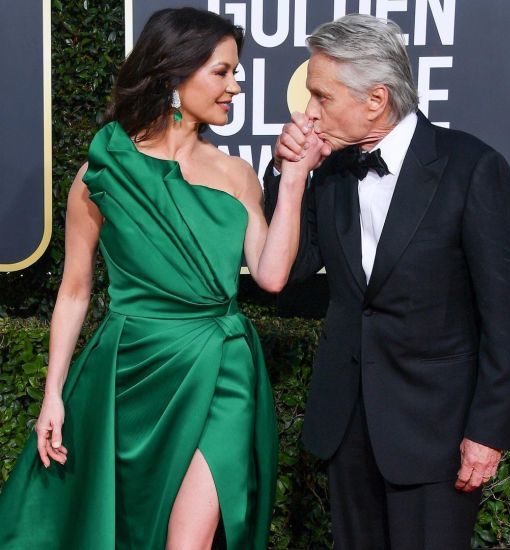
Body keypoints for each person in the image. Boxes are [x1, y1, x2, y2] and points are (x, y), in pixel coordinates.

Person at [0, 7, 323, 550]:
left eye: (236, 72)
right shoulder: (103, 172)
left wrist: (293, 179)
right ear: (174, 74)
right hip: (132, 370)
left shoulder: (237, 175)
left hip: (222, 366)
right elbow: (75, 291)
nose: (236, 86)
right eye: (222, 72)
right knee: (122, 531)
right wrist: (52, 394)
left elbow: (271, 276)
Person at [264, 13, 510, 550]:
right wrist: (287, 174)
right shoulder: (332, 171)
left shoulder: (471, 168)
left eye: (322, 96)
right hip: (347, 425)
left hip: (436, 433)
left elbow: (509, 316)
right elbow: (291, 268)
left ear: (375, 100)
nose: (308, 111)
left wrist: (487, 433)